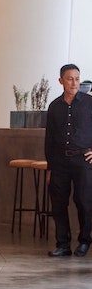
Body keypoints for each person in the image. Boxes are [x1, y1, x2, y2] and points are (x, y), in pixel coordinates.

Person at [45, 63, 92, 257]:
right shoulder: (54, 106)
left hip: (83, 161)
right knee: (58, 203)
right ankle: (63, 244)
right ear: (61, 81)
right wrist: (50, 167)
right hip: (60, 162)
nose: (74, 83)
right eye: (70, 79)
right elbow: (49, 139)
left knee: (83, 201)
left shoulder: (90, 103)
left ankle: (84, 241)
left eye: (77, 79)